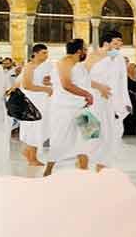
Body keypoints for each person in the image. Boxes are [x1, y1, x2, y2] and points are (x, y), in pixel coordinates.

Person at [43, 39, 95, 176]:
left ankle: (84, 169)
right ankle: (48, 171)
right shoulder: (65, 62)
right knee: (60, 139)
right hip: (64, 108)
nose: (87, 52)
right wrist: (87, 94)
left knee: (89, 137)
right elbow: (66, 84)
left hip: (81, 107)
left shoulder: (79, 65)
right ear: (79, 51)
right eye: (85, 49)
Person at [86, 30, 130, 172]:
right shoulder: (93, 56)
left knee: (109, 134)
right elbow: (82, 77)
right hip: (92, 98)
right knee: (91, 133)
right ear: (106, 43)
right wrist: (100, 87)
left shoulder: (118, 59)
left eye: (120, 43)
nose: (119, 46)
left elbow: (121, 82)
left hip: (110, 101)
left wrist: (124, 101)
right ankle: (83, 165)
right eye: (116, 43)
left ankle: (102, 166)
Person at [17, 44, 52, 167]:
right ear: (35, 53)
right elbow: (27, 85)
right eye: (43, 53)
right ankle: (32, 158)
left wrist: (49, 82)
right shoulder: (30, 66)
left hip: (43, 102)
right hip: (32, 102)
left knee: (40, 128)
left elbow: (48, 80)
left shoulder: (48, 66)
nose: (46, 55)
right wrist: (45, 89)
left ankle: (30, 154)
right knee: (33, 128)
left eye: (47, 53)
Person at [124, 63, 136, 136]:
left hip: (134, 99)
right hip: (128, 98)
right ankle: (128, 130)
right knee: (128, 113)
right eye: (134, 69)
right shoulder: (125, 78)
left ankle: (134, 129)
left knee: (135, 113)